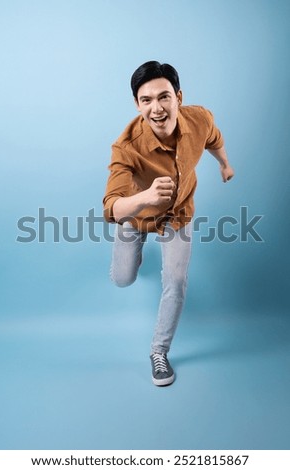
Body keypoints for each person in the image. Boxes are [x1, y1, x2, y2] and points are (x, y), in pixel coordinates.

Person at [103, 61, 234, 386]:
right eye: (146, 100)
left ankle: (159, 353)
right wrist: (145, 197)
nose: (156, 108)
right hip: (135, 215)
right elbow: (111, 206)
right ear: (137, 104)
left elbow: (214, 139)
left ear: (178, 96)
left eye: (164, 97)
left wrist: (225, 165)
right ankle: (130, 258)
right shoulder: (126, 147)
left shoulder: (200, 118)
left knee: (175, 282)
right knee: (123, 279)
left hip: (178, 214)